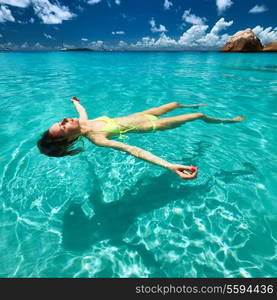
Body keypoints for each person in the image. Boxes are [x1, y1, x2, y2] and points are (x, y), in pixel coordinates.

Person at [37, 97, 244, 180]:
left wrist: (75, 101)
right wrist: (169, 166)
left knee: (174, 104)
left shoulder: (83, 122)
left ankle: (192, 106)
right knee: (197, 117)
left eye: (60, 121)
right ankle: (226, 121)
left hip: (142, 114)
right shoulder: (96, 137)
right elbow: (133, 150)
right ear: (68, 139)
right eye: (62, 127)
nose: (63, 120)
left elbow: (81, 109)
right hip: (151, 125)